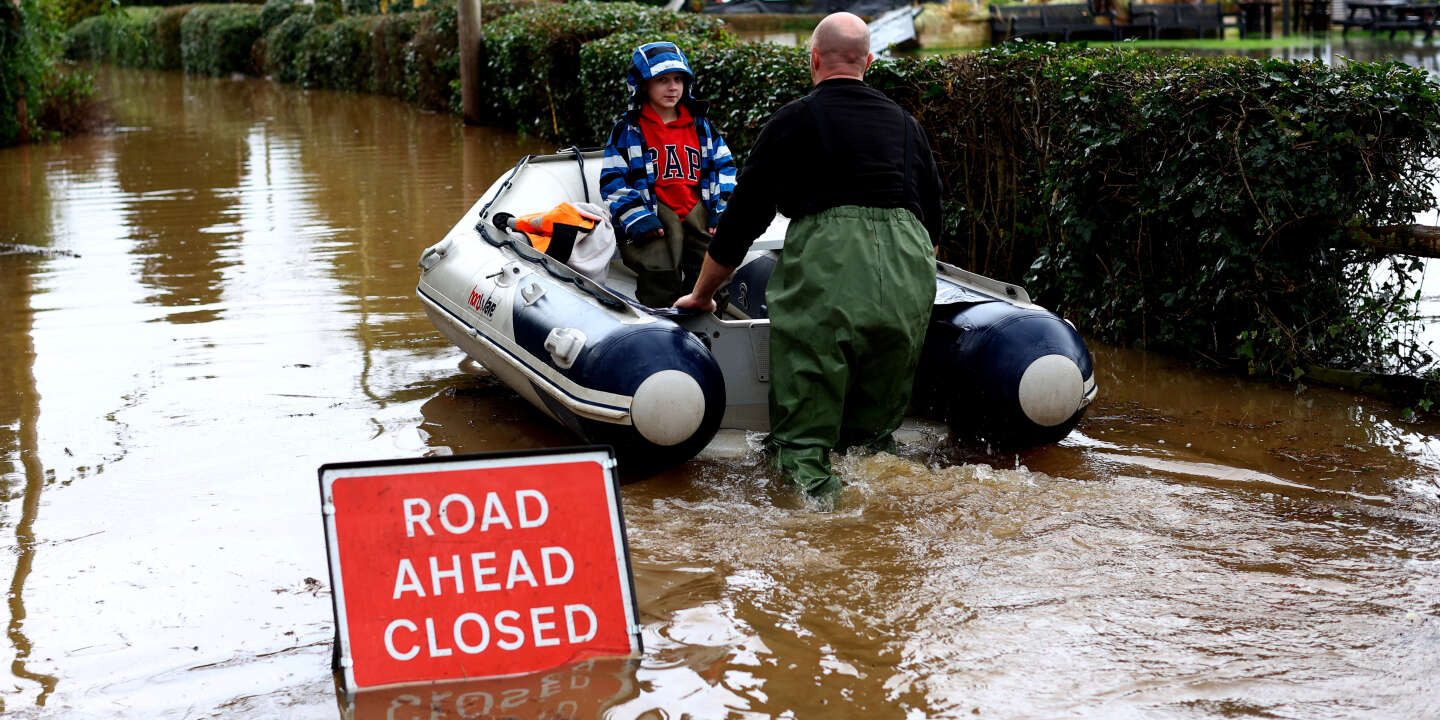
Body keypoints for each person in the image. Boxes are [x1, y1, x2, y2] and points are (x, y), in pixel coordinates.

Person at [674, 12, 944, 500]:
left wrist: (702, 295)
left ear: (814, 59)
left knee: (802, 446)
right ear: (870, 61)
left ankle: (828, 531)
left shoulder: (796, 118)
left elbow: (742, 219)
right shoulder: (907, 127)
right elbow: (934, 226)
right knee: (874, 449)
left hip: (830, 267)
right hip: (910, 273)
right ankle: (887, 526)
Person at [601, 41, 737, 308]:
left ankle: (708, 327)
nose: (673, 87)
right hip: (653, 211)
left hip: (697, 207)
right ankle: (663, 329)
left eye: (678, 79)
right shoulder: (629, 130)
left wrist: (720, 209)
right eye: (662, 80)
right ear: (642, 85)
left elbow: (726, 168)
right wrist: (636, 216)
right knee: (659, 271)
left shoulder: (702, 126)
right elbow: (612, 179)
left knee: (715, 265)